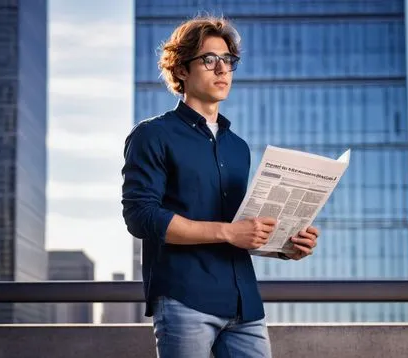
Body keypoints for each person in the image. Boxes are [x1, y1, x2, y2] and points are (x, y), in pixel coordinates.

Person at [121, 15, 319, 358]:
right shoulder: (153, 135)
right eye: (209, 60)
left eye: (228, 61)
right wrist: (229, 233)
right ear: (181, 70)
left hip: (245, 303)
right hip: (185, 298)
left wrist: (285, 246)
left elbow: (242, 226)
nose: (222, 70)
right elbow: (141, 216)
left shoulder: (238, 147)